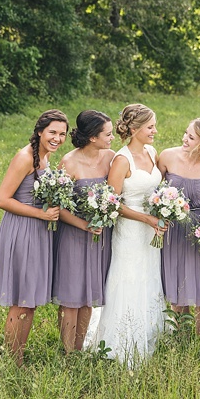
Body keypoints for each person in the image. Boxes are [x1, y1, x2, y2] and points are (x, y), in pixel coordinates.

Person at [0, 109, 69, 366]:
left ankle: (18, 355)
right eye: (52, 132)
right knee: (21, 299)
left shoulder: (44, 158)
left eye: (62, 134)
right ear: (40, 132)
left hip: (37, 230)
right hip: (22, 230)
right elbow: (1, 199)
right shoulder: (25, 157)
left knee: (29, 300)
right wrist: (40, 214)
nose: (57, 138)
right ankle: (14, 361)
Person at [90, 103, 168, 368]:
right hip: (131, 231)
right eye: (150, 127)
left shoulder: (151, 151)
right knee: (130, 277)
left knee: (149, 275)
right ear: (134, 129)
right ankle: (122, 340)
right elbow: (113, 204)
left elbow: (155, 190)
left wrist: (164, 206)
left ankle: (148, 332)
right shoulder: (122, 160)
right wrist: (147, 218)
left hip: (152, 229)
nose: (155, 131)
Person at [51, 110, 116, 354]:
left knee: (89, 293)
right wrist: (85, 225)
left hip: (100, 236)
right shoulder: (69, 162)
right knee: (71, 296)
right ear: (92, 138)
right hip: (74, 235)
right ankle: (68, 352)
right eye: (107, 134)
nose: (112, 138)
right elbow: (57, 205)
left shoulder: (111, 157)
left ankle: (79, 347)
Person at [158, 117, 200, 339]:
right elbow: (155, 191)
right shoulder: (167, 156)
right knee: (177, 281)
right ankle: (179, 335)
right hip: (173, 227)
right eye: (185, 133)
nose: (184, 139)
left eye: (191, 137)